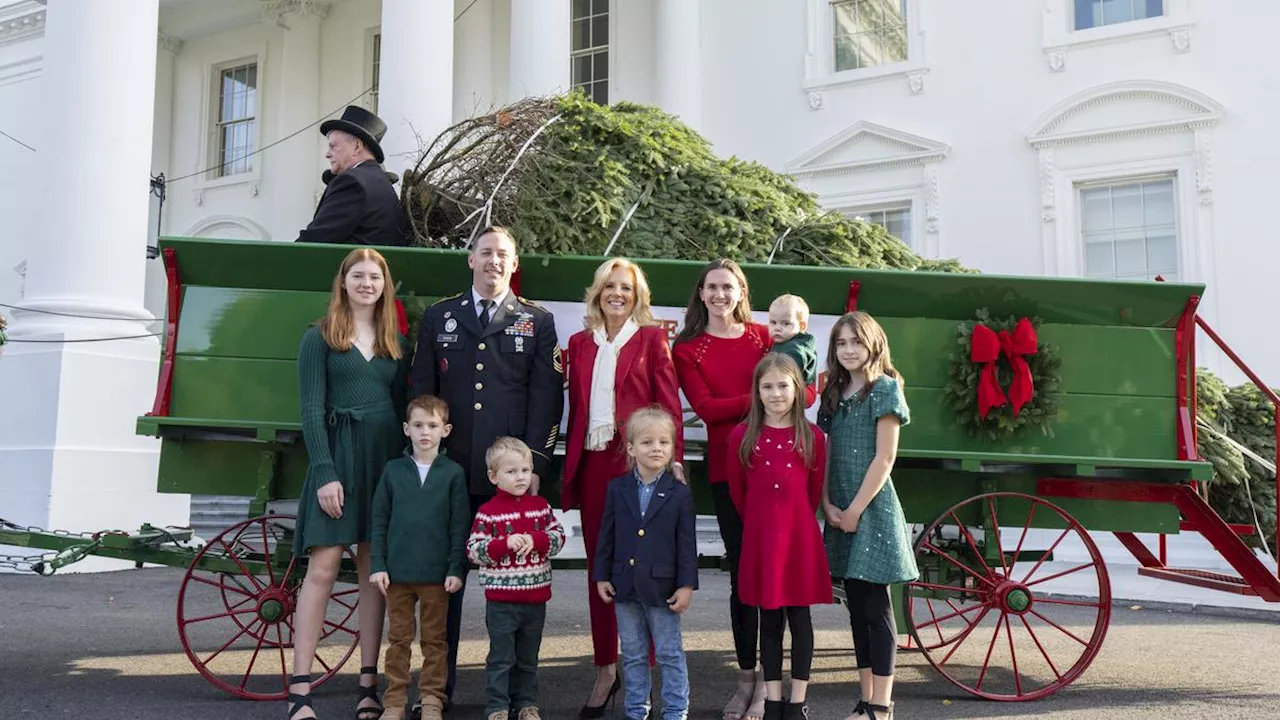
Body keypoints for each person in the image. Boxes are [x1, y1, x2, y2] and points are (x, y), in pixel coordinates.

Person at [408, 225, 563, 710]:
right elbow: (422, 391)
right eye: (486, 253)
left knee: (519, 597)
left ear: (514, 265)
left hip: (511, 482)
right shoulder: (440, 317)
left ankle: (519, 695)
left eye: (503, 255)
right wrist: (425, 462)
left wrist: (535, 464)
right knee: (445, 586)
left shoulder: (537, 322)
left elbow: (547, 399)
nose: (494, 261)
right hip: (451, 474)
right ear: (470, 260)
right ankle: (437, 690)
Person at [672, 259, 813, 720]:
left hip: (777, 468)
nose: (719, 295)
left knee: (782, 579)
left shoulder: (761, 337)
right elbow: (709, 410)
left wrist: (795, 392)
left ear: (741, 292)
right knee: (744, 578)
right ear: (700, 292)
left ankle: (773, 688)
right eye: (711, 287)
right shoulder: (689, 348)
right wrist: (767, 395)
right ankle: (747, 678)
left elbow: (800, 390)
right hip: (729, 469)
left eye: (727, 287)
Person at [288, 248, 412, 720]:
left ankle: (367, 685)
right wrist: (324, 471)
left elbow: (403, 411)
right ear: (342, 283)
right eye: (357, 275)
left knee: (371, 573)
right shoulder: (319, 338)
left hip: (381, 464)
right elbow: (311, 411)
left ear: (385, 285)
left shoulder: (393, 341)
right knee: (321, 569)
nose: (366, 283)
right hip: (337, 460)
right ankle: (301, 688)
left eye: (374, 276)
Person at [562, 257, 685, 717]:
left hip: (638, 469)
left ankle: (645, 674)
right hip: (595, 465)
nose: (618, 293)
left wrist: (669, 460)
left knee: (646, 571)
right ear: (597, 293)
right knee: (603, 570)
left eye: (626, 288)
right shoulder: (578, 343)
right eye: (610, 286)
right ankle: (606, 669)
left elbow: (668, 403)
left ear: (638, 297)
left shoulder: (652, 340)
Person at [818, 312, 918, 720]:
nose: (848, 350)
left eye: (856, 342)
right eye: (841, 344)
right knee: (856, 609)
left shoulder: (885, 390)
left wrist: (856, 509)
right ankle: (865, 700)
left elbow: (885, 457)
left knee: (876, 609)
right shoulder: (834, 394)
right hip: (839, 509)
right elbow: (826, 454)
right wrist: (826, 503)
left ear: (873, 344)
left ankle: (882, 704)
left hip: (870, 511)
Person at [726, 354, 832, 720]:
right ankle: (772, 701)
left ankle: (797, 701)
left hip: (798, 542)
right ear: (757, 392)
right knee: (769, 623)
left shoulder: (812, 436)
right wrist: (763, 525)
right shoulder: (742, 436)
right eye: (767, 387)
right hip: (762, 543)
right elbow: (738, 494)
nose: (776, 394)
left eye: (783, 386)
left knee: (800, 622)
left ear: (798, 390)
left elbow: (814, 491)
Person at [369, 395, 470, 720]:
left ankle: (431, 701)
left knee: (434, 642)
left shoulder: (453, 474)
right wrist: (378, 565)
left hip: (436, 576)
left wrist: (456, 568)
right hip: (397, 575)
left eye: (432, 425)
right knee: (398, 640)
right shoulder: (393, 471)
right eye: (418, 425)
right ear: (406, 429)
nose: (425, 432)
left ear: (446, 429)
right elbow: (379, 521)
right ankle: (395, 702)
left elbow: (458, 526)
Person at [594, 407, 698, 720]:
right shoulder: (618, 488)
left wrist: (686, 585)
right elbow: (607, 535)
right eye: (647, 442)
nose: (656, 448)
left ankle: (676, 710)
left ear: (672, 448)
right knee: (635, 653)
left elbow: (686, 544)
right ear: (630, 448)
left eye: (664, 443)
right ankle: (636, 710)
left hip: (663, 588)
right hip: (624, 586)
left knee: (668, 652)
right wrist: (601, 575)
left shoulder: (679, 494)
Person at [466, 437, 566, 720]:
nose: (520, 476)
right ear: (494, 476)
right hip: (501, 601)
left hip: (535, 599)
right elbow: (474, 550)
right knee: (500, 658)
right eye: (511, 472)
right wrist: (504, 544)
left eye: (524, 469)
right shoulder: (488, 513)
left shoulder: (541, 507)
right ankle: (497, 706)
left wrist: (536, 540)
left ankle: (526, 704)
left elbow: (558, 538)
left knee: (528, 658)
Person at [296, 104, 409, 246]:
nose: (327, 154)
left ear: (357, 146)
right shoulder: (377, 180)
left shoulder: (352, 182)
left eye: (333, 146)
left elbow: (317, 238)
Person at [767, 294, 817, 388]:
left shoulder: (795, 349)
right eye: (773, 322)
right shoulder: (783, 343)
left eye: (786, 323)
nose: (777, 328)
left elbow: (784, 376)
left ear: (802, 326)